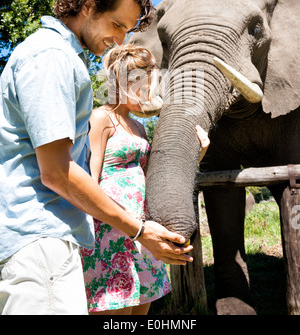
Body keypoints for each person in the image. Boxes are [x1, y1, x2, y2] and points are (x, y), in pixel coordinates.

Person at [0, 0, 194, 316]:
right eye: (117, 24)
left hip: (52, 240)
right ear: (88, 5)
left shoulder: (62, 58)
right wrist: (138, 231)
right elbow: (58, 172)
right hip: (40, 241)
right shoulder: (51, 57)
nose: (119, 40)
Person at [81, 44, 210, 315]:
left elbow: (153, 176)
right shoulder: (101, 118)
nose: (148, 94)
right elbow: (89, 180)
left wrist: (198, 154)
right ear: (123, 83)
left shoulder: (138, 127)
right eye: (143, 86)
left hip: (142, 234)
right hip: (111, 233)